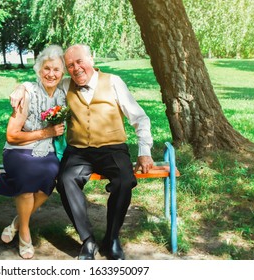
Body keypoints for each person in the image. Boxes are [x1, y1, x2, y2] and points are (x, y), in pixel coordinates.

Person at [10, 44, 154, 260]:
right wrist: (21, 86)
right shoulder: (66, 85)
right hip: (79, 151)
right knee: (66, 180)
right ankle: (88, 240)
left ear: (91, 60)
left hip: (112, 148)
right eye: (70, 65)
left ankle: (112, 238)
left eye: (79, 62)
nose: (76, 68)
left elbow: (139, 118)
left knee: (124, 180)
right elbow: (42, 82)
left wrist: (144, 151)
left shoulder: (113, 82)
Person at [0, 45, 66, 259]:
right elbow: (11, 135)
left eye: (56, 70)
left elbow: (91, 75)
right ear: (39, 70)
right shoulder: (27, 95)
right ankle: (25, 234)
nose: (51, 74)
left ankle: (18, 222)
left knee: (49, 178)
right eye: (46, 68)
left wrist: (48, 136)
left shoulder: (64, 93)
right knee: (27, 183)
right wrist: (46, 132)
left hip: (47, 152)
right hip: (18, 151)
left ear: (63, 73)